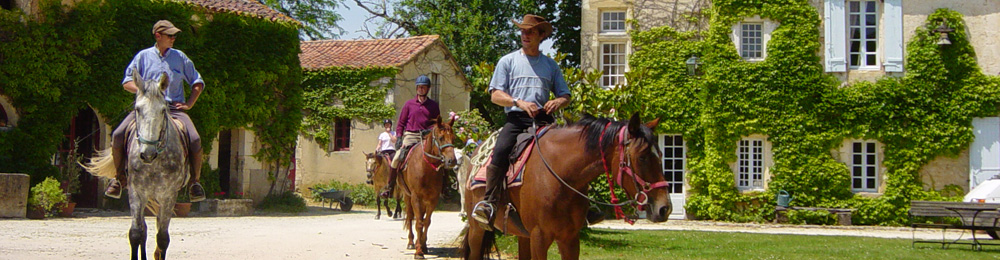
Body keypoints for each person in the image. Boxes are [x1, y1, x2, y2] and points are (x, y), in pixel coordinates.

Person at [472, 14, 571, 228]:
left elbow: (565, 95)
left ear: (540, 35)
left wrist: (558, 102)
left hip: (544, 120)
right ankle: (488, 203)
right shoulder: (507, 61)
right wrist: (518, 102)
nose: (525, 35)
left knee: (570, 152)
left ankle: (583, 207)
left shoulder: (551, 66)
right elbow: (495, 95)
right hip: (517, 120)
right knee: (500, 151)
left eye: (531, 31)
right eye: (523, 31)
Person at [104, 20, 206, 202]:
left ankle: (195, 182)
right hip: (147, 109)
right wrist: (146, 92)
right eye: (170, 35)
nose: (174, 38)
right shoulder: (143, 57)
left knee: (195, 139)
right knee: (118, 135)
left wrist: (189, 103)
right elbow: (127, 81)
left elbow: (197, 82)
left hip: (173, 109)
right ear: (158, 36)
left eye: (175, 35)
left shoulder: (180, 57)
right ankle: (118, 178)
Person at [382, 75, 440, 198]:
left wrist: (429, 131)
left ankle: (444, 188)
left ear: (428, 89)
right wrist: (399, 137)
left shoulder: (433, 106)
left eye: (423, 87)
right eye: (419, 87)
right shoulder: (409, 104)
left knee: (440, 157)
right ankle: (389, 187)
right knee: (397, 158)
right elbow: (401, 123)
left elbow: (436, 124)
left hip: (426, 137)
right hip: (411, 135)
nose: (421, 89)